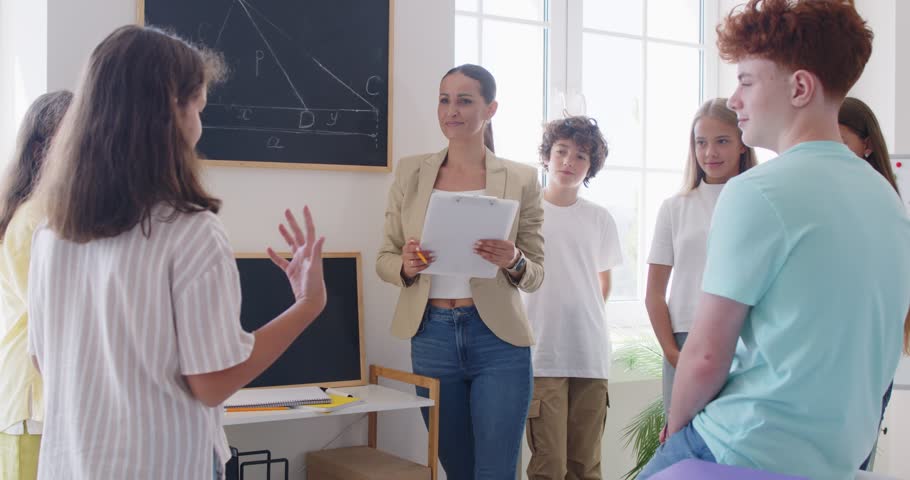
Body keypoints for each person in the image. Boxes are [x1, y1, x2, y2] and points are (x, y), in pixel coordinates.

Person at [27, 26, 327, 480]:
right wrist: (307, 305)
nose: (200, 126)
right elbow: (211, 382)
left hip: (69, 464)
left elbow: (41, 360)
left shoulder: (51, 231)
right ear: (172, 113)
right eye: (199, 109)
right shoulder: (191, 231)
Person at [639, 1, 910, 478]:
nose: (736, 100)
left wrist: (676, 430)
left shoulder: (756, 192)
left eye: (745, 81)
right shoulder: (886, 198)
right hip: (838, 458)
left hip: (743, 443)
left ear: (800, 87)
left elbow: (705, 354)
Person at [376, 64, 544, 480]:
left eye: (465, 100)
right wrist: (407, 266)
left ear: (490, 108)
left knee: (496, 470)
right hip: (431, 336)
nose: (451, 110)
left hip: (499, 341)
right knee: (458, 469)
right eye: (444, 99)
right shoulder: (412, 172)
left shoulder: (521, 178)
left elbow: (537, 272)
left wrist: (513, 260)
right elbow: (384, 256)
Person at [521, 116, 621, 480]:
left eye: (580, 156)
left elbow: (603, 284)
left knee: (586, 466)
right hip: (542, 354)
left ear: (591, 166)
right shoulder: (526, 212)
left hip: (590, 356)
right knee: (549, 467)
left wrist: (582, 318)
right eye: (561, 151)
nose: (568, 162)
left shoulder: (599, 218)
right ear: (547, 156)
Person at [646, 98, 756, 416]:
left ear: (742, 145)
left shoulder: (760, 203)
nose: (710, 153)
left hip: (746, 340)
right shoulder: (674, 207)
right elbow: (654, 293)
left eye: (722, 141)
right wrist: (671, 351)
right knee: (683, 447)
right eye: (701, 143)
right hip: (685, 340)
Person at [0, 90, 72, 480]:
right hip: (33, 401)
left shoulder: (49, 214)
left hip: (42, 399)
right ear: (44, 148)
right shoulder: (36, 220)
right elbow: (54, 314)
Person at [838, 96, 902, 471]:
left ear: (868, 145)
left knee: (853, 463)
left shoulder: (882, 203)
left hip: (867, 354)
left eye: (841, 141)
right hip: (837, 353)